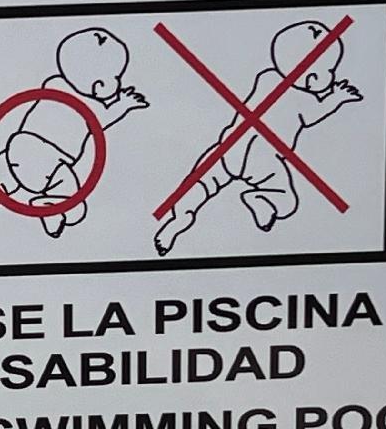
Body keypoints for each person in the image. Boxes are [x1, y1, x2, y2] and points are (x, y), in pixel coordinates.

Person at [154, 20, 362, 255]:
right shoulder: (303, 100)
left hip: (228, 148)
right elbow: (315, 113)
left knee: (197, 186)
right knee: (287, 201)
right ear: (311, 78)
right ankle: (261, 199)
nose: (332, 77)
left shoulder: (266, 78)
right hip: (264, 159)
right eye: (329, 71)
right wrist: (337, 98)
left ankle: (179, 218)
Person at [0, 28, 148, 263]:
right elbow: (104, 119)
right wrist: (124, 104)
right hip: (52, 162)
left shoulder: (51, 84)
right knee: (75, 209)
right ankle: (50, 206)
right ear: (99, 86)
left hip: (16, 149)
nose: (118, 84)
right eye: (116, 77)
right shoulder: (93, 108)